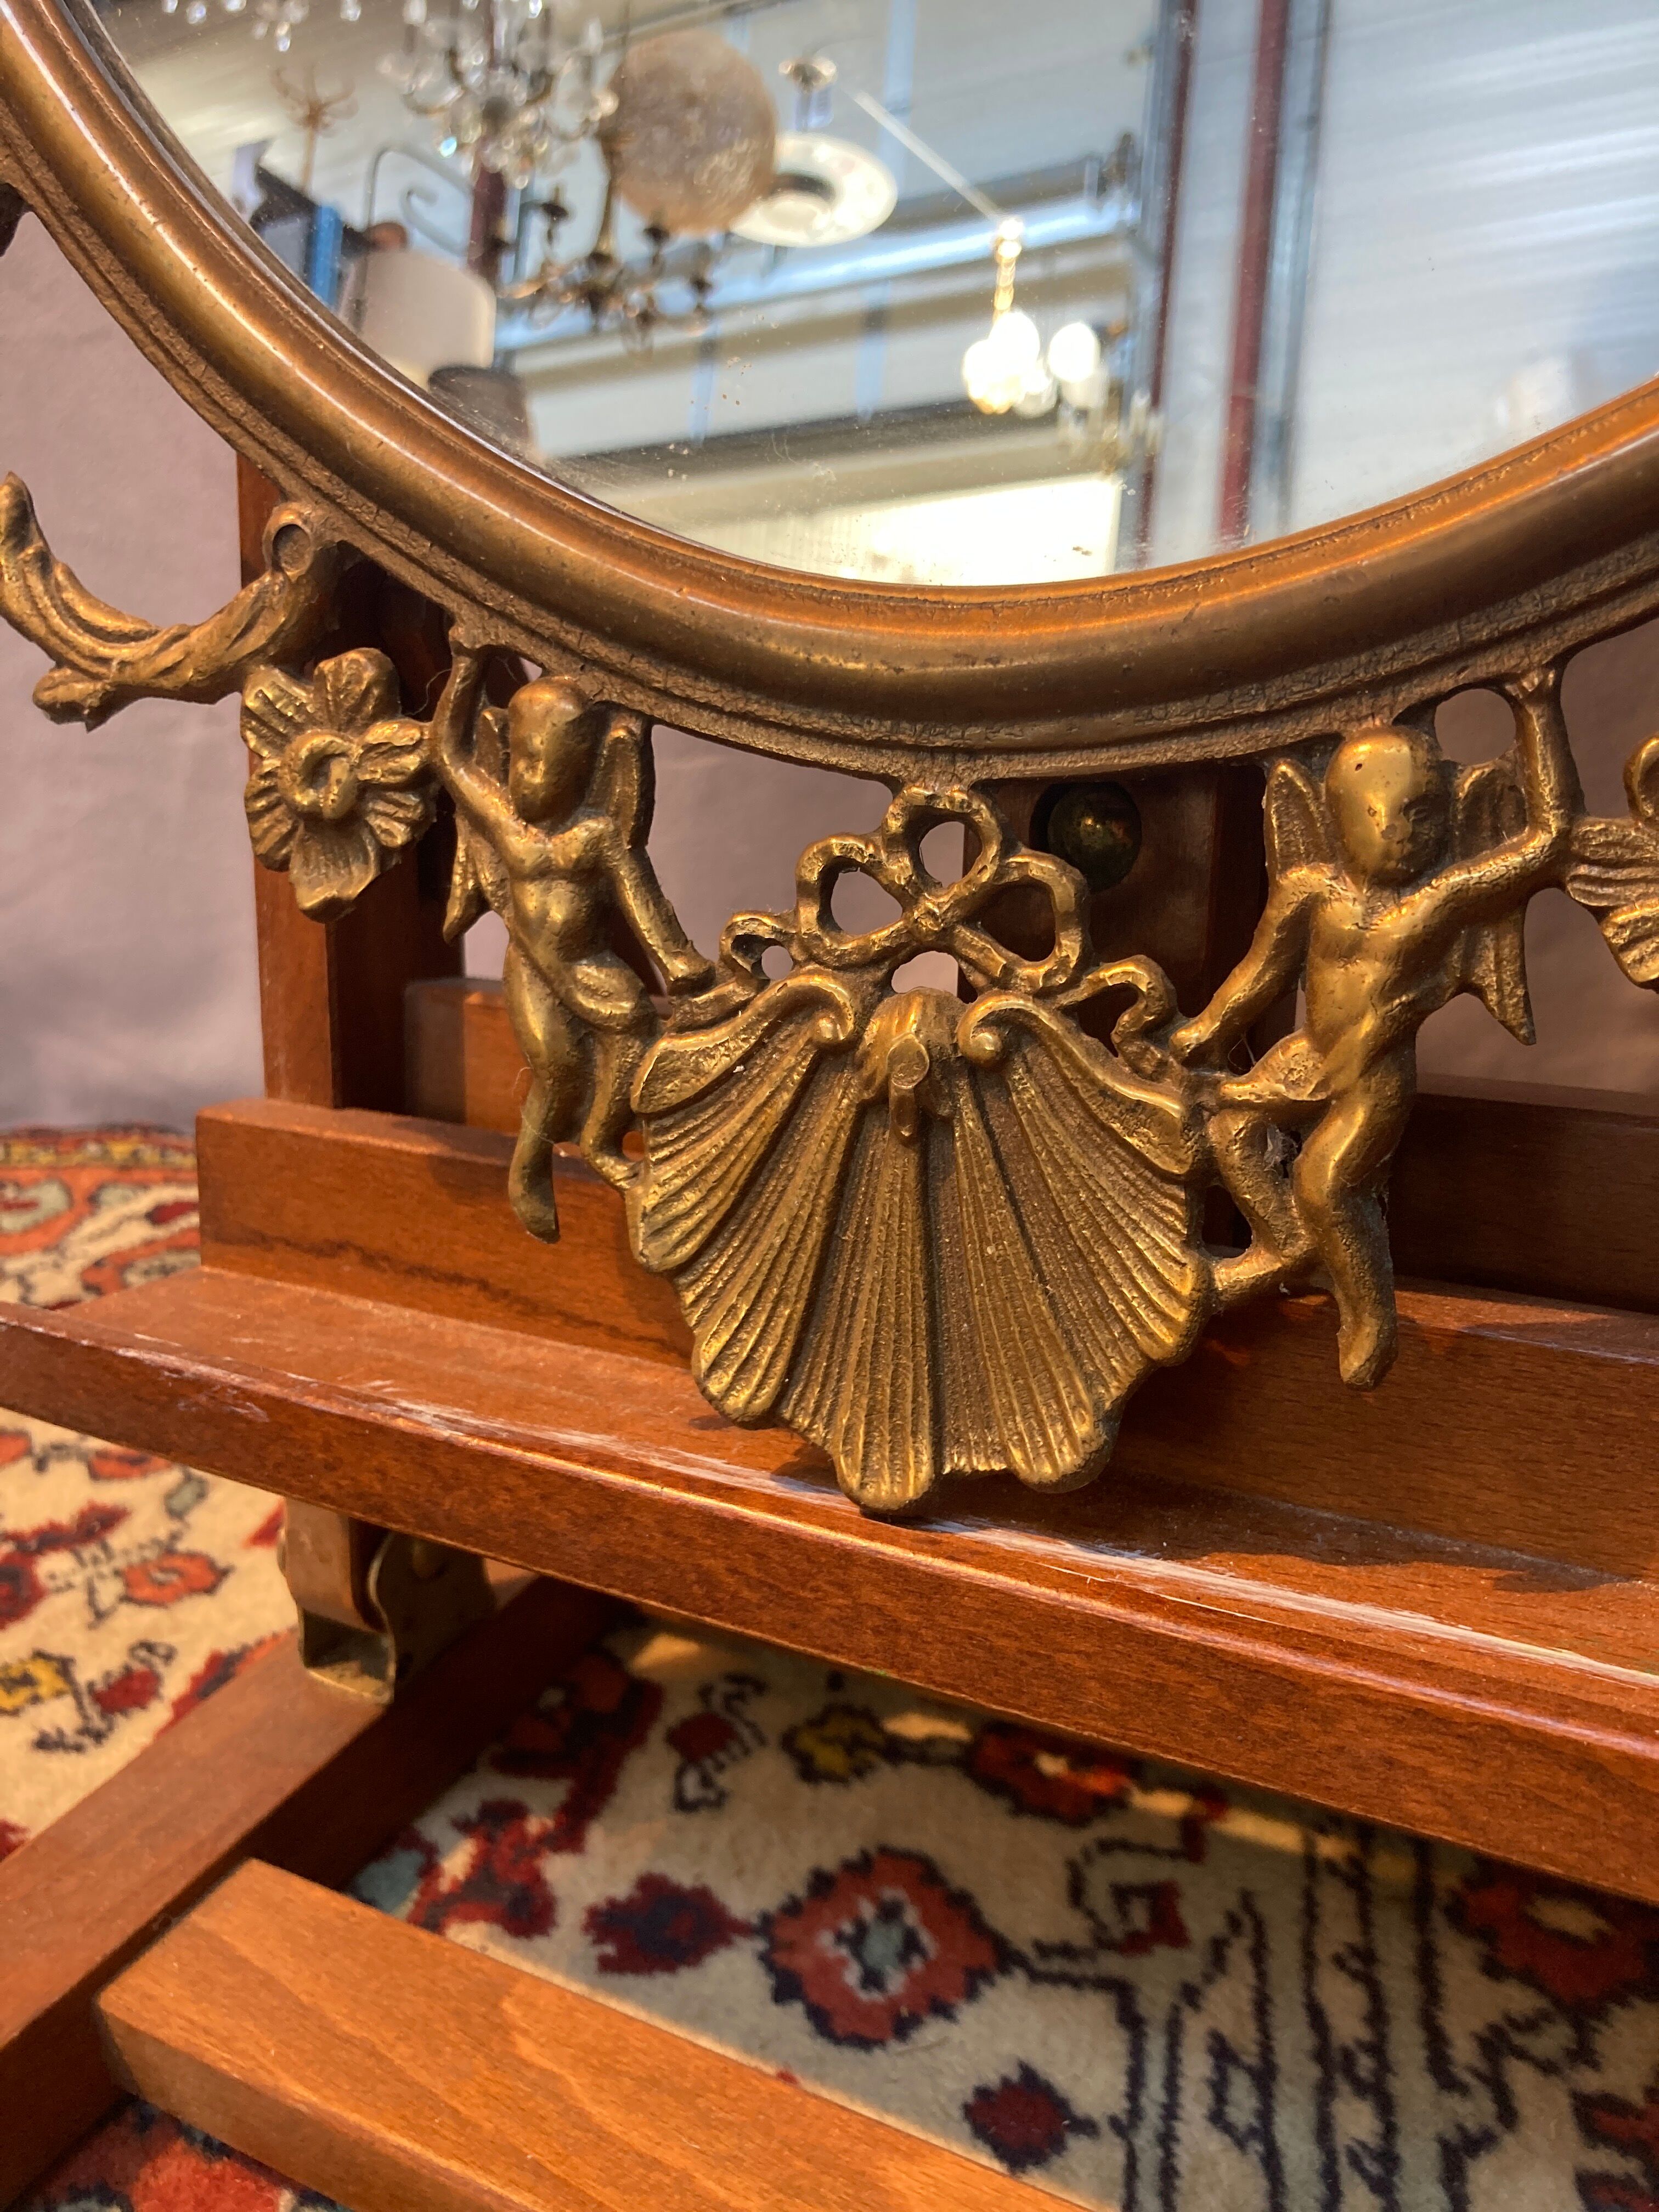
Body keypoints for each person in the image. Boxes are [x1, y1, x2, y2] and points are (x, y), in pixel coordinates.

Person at [1170, 672, 1576, 1387]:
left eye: (1420, 817)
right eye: (1378, 816)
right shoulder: (1309, 892)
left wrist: (1538, 708)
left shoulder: (1438, 901)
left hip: (1372, 1083)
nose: (1400, 836)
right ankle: (1287, 1246)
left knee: (1328, 1182)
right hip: (1308, 1056)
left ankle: (1367, 1313)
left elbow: (1547, 839)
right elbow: (1263, 974)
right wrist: (1208, 1027)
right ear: (1340, 818)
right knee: (1225, 1128)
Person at [429, 640, 713, 1241]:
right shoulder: (508, 825)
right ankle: (529, 1165)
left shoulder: (598, 835)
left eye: (546, 763)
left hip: (588, 964)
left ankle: (603, 1141)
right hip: (534, 966)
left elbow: (641, 900)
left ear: (583, 768)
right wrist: (466, 666)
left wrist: (675, 958)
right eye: (520, 762)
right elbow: (450, 755)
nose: (527, 778)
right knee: (558, 1068)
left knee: (636, 1031)